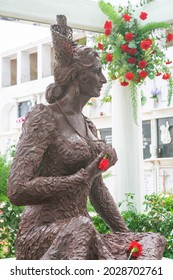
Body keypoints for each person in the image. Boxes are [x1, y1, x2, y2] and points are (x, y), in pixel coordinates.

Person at [7, 15, 166, 260]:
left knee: (151, 241)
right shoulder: (44, 117)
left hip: (83, 230)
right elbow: (17, 190)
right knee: (81, 227)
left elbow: (98, 191)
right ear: (77, 76)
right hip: (43, 233)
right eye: (97, 72)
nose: (103, 79)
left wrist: (127, 238)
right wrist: (79, 178)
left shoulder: (89, 125)